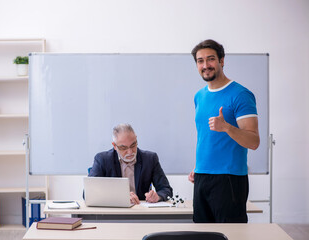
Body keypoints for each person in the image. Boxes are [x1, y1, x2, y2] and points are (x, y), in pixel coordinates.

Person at [188, 39, 260, 223]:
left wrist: (227, 127)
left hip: (229, 179)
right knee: (201, 235)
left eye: (210, 59)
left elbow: (253, 142)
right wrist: (199, 167)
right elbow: (206, 138)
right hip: (202, 177)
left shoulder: (240, 95)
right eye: (200, 61)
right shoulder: (199, 96)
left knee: (230, 235)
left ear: (222, 60)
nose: (205, 65)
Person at [89, 123, 173, 204]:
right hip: (113, 213)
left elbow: (166, 190)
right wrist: (121, 197)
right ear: (114, 146)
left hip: (140, 212)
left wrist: (157, 196)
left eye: (133, 145)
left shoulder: (150, 159)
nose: (130, 152)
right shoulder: (103, 159)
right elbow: (88, 193)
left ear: (136, 139)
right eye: (123, 148)